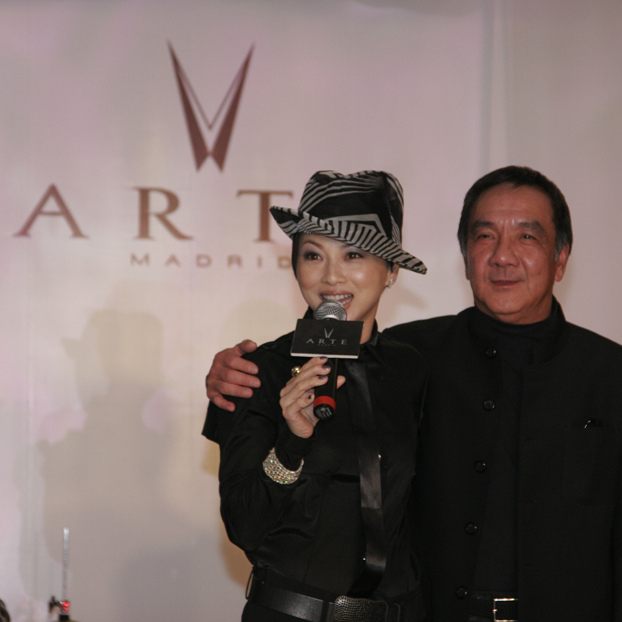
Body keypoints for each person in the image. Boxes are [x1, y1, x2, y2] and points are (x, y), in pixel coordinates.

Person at [206, 165, 622, 622]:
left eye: (526, 236)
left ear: (561, 258)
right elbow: (246, 520)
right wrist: (253, 396)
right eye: (485, 236)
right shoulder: (410, 355)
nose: (503, 256)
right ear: (465, 255)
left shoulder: (411, 364)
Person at [204, 170, 429, 621]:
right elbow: (244, 526)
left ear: (391, 271)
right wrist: (291, 442)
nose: (331, 276)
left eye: (354, 254)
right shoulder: (256, 371)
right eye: (313, 255)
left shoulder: (413, 369)